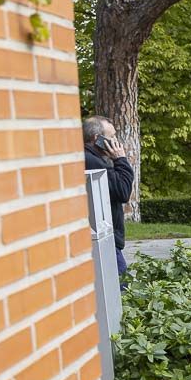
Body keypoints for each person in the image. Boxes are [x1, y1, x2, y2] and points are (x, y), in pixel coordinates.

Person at [82, 117, 135, 277]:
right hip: (106, 240)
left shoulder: (91, 158)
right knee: (122, 289)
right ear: (98, 139)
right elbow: (123, 191)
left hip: (104, 237)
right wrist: (121, 160)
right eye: (111, 137)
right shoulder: (94, 162)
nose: (116, 142)